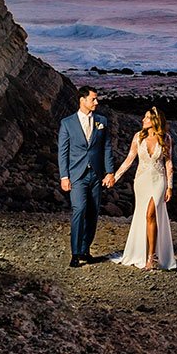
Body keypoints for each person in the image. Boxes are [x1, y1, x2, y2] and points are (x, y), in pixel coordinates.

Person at [112, 106, 177, 271]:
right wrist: (115, 176)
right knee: (144, 216)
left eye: (146, 118)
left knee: (151, 214)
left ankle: (152, 257)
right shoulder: (138, 137)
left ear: (154, 121)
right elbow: (129, 160)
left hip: (159, 181)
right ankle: (142, 252)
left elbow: (169, 163)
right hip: (141, 181)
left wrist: (170, 187)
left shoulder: (166, 138)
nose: (143, 120)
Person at [57, 86, 115, 267]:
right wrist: (64, 176)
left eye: (96, 99)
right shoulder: (67, 123)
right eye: (93, 99)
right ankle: (75, 253)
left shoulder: (101, 121)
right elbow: (62, 152)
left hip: (96, 175)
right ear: (82, 100)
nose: (96, 102)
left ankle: (85, 250)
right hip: (77, 175)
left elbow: (106, 148)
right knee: (79, 210)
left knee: (93, 213)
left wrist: (110, 172)